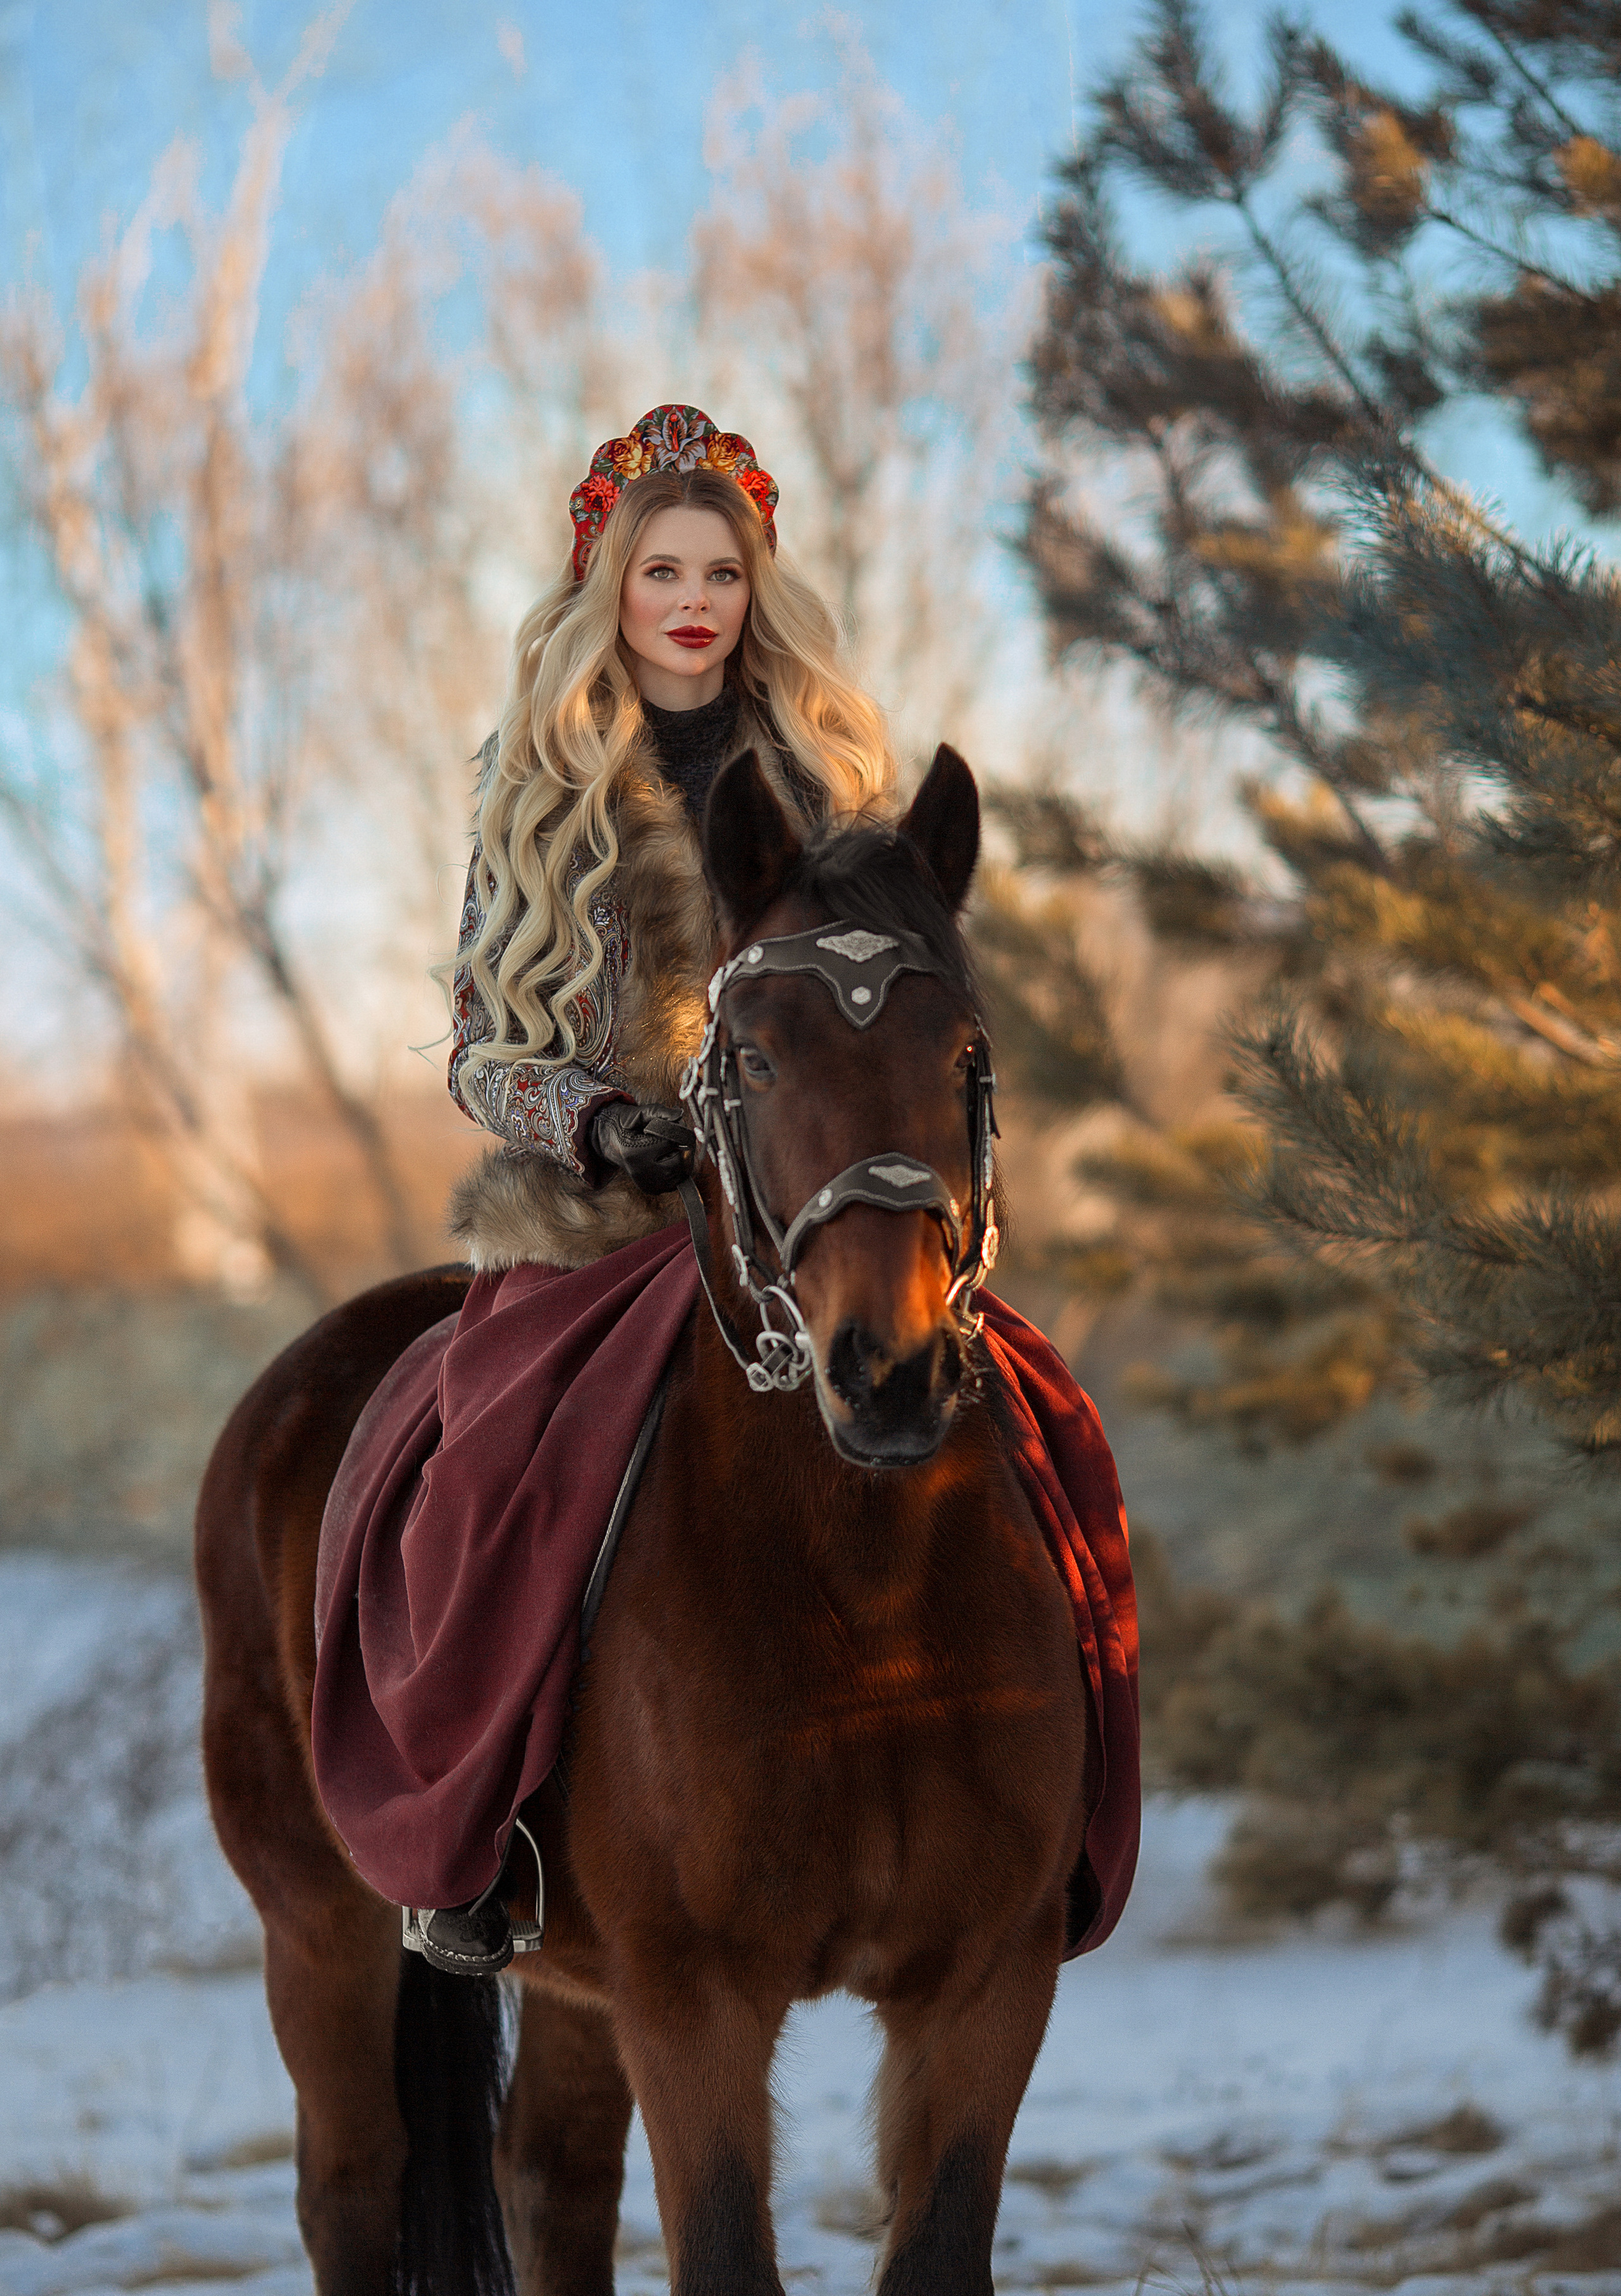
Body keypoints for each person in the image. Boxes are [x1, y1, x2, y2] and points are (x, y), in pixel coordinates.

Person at [440, 402, 895, 1287]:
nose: (697, 600)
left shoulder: (828, 778)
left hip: (811, 1211)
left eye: (724, 573)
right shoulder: (540, 793)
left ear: (754, 591)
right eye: (663, 572)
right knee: (512, 1385)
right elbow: (478, 1056)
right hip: (599, 1230)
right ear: (613, 588)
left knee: (1008, 1367)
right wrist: (601, 1125)